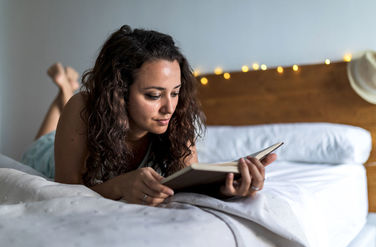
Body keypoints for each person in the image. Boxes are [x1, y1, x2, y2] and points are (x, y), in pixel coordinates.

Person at [23, 25, 277, 206]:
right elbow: (65, 191)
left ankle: (64, 88)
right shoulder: (83, 108)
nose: (169, 108)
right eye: (154, 95)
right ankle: (63, 92)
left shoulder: (176, 115)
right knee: (45, 136)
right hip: (47, 154)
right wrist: (120, 186)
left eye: (175, 92)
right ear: (119, 92)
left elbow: (190, 182)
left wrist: (230, 187)